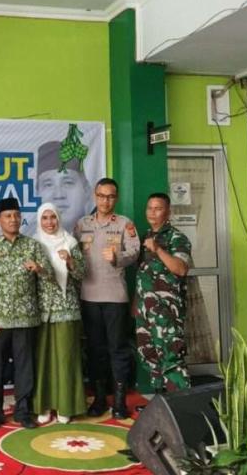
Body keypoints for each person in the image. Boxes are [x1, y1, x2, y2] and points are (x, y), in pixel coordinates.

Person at [0, 197, 52, 431]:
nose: (13, 220)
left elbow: (50, 276)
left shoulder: (32, 246)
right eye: (8, 216)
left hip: (26, 318)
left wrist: (39, 269)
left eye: (16, 215)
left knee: (25, 369)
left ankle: (23, 412)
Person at [75, 178, 141, 419]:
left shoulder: (124, 224)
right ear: (95, 196)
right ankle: (100, 398)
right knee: (95, 350)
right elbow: (74, 255)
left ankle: (120, 402)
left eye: (111, 196)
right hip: (89, 296)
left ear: (117, 198)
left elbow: (135, 252)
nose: (106, 201)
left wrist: (117, 257)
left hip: (115, 297)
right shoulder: (82, 224)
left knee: (118, 349)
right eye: (102, 196)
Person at [32, 203, 86, 424]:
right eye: (44, 218)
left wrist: (70, 261)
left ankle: (66, 406)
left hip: (66, 308)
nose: (49, 222)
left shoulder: (70, 242)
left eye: (53, 217)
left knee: (65, 358)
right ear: (39, 221)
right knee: (42, 359)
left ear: (58, 219)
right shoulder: (33, 244)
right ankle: (43, 405)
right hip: (40, 309)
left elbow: (82, 274)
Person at [135, 192, 192, 393]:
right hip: (145, 310)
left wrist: (158, 249)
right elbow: (142, 273)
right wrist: (136, 305)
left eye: (158, 208)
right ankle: (160, 404)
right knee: (149, 356)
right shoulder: (145, 237)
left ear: (168, 212)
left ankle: (183, 403)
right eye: (150, 208)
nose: (152, 212)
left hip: (167, 312)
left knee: (172, 357)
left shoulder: (177, 238)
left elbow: (181, 269)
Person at [35, 141, 93, 235]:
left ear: (86, 190)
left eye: (68, 183)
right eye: (48, 185)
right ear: (37, 193)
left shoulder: (100, 236)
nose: (59, 195)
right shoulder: (33, 241)